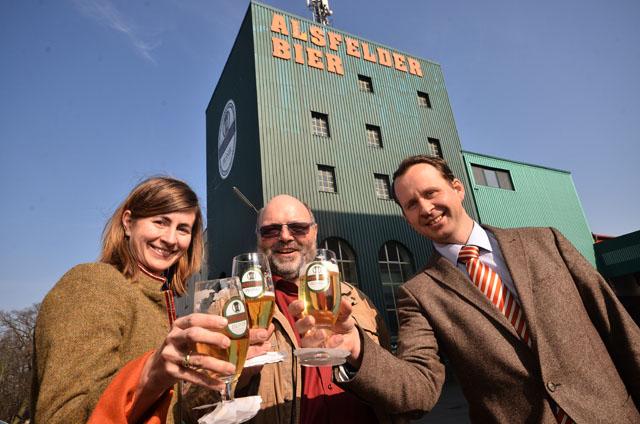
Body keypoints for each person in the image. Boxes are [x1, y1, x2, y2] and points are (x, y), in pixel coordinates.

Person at [292, 156, 640, 423]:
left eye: (431, 193)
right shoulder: (418, 294)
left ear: (457, 189)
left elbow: (617, 328)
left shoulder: (546, 241)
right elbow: (419, 388)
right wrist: (355, 348)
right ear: (406, 218)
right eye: (412, 205)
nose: (425, 208)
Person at [31, 176, 270, 424]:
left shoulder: (159, 303)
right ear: (128, 223)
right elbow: (62, 416)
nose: (170, 238)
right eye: (160, 222)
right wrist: (148, 376)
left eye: (183, 229)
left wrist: (236, 372)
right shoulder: (91, 283)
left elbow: (174, 412)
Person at [240, 194, 395, 423]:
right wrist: (236, 377)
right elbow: (193, 406)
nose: (285, 236)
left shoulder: (359, 301)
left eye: (298, 228)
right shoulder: (234, 307)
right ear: (258, 237)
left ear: (314, 231)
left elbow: (396, 384)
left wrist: (359, 355)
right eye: (271, 230)